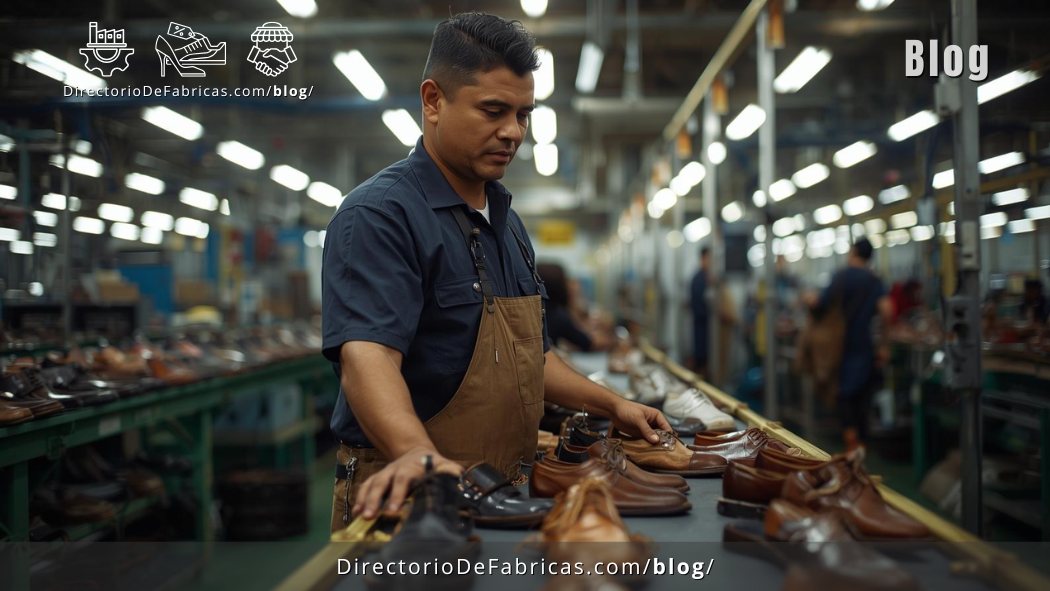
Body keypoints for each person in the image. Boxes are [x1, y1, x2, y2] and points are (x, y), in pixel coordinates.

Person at [321, 12, 669, 531]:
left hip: (504, 490)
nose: (512, 132)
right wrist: (416, 455)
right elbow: (367, 358)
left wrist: (614, 404)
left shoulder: (506, 224)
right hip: (415, 496)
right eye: (493, 110)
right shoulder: (380, 215)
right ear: (433, 101)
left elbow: (532, 359)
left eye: (523, 114)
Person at [810, 238, 891, 452]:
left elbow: (820, 304)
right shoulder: (874, 280)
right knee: (863, 396)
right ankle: (861, 445)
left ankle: (850, 440)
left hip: (839, 346)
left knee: (843, 393)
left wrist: (807, 300)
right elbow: (887, 311)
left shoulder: (840, 277)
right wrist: (884, 345)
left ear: (853, 252)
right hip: (864, 345)